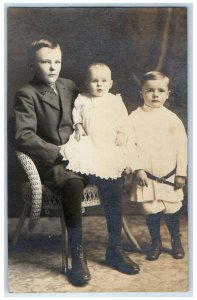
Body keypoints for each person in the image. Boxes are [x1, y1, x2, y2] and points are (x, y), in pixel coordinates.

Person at [13, 39, 91, 286]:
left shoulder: (69, 86)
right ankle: (77, 254)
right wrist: (58, 152)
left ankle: (115, 249)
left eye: (57, 61)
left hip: (82, 154)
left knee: (115, 175)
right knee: (73, 183)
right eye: (46, 62)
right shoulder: (27, 94)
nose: (53, 67)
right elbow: (23, 135)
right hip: (54, 162)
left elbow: (90, 108)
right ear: (32, 65)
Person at [60, 62, 144, 275]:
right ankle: (78, 254)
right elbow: (76, 116)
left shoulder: (115, 101)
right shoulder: (82, 99)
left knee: (114, 191)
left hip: (107, 151)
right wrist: (78, 126)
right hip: (88, 150)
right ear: (87, 83)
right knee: (75, 176)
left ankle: (114, 248)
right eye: (94, 81)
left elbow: (124, 122)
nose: (99, 85)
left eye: (104, 81)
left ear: (111, 83)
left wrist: (122, 133)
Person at [128, 71, 187, 261]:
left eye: (160, 90)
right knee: (152, 210)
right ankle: (156, 243)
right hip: (147, 176)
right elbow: (130, 146)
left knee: (172, 209)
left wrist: (181, 173)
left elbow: (182, 147)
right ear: (141, 93)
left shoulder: (172, 119)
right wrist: (138, 169)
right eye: (150, 90)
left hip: (169, 175)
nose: (155, 95)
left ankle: (175, 241)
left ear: (167, 94)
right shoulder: (134, 117)